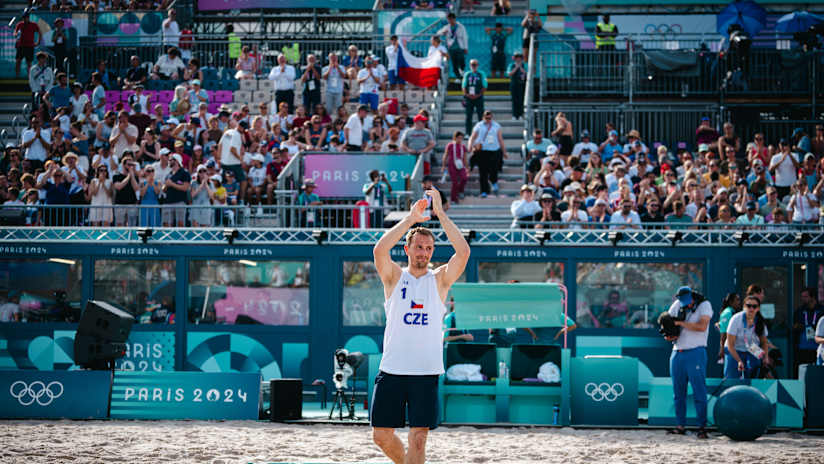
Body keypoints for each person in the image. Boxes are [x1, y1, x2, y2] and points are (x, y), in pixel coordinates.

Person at [371, 189, 469, 464]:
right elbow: (379, 250)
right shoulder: (394, 277)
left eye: (428, 248)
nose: (423, 252)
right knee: (381, 436)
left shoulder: (439, 280)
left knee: (419, 437)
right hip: (392, 369)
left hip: (425, 371)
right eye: (418, 247)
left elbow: (463, 252)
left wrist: (440, 212)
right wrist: (411, 219)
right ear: (408, 249)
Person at [665, 286, 712, 438]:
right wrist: (669, 334)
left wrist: (680, 324)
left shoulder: (704, 304)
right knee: (678, 393)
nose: (686, 305)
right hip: (677, 352)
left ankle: (702, 428)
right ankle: (680, 426)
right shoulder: (677, 305)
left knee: (699, 391)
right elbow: (669, 324)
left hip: (695, 352)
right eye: (683, 302)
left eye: (688, 301)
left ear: (692, 296)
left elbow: (702, 326)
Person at [725, 294, 770, 380]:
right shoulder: (736, 319)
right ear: (744, 307)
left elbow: (764, 342)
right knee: (732, 378)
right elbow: (730, 345)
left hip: (752, 348)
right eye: (748, 306)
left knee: (755, 373)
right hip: (735, 348)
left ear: (758, 308)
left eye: (754, 306)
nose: (751, 309)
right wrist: (739, 361)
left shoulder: (760, 321)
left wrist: (766, 358)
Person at [468, 110, 505, 198]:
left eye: (489, 118)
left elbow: (500, 139)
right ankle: (484, 191)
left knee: (494, 169)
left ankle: (493, 181)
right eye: (486, 118)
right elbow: (472, 137)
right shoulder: (479, 125)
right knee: (483, 172)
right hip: (483, 151)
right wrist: (470, 146)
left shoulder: (496, 126)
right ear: (483, 117)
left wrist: (504, 151)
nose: (488, 120)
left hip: (494, 150)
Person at [793, 287, 824, 370]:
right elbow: (794, 325)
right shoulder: (800, 310)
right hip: (803, 346)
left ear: (812, 297)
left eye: (805, 297)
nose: (803, 299)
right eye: (802, 297)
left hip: (817, 347)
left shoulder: (821, 310)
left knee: (817, 370)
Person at [437, 13, 468, 78]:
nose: (450, 21)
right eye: (448, 19)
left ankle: (462, 71)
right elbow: (438, 33)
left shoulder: (460, 26)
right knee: (454, 63)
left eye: (451, 19)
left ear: (454, 19)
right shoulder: (447, 27)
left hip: (460, 47)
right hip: (451, 48)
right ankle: (458, 77)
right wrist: (443, 33)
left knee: (461, 60)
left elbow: (465, 37)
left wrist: (465, 47)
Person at [462, 60, 487, 137]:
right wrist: (467, 94)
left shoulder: (481, 74)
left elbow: (485, 85)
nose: (474, 66)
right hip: (469, 98)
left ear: (478, 65)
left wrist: (478, 94)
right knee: (468, 116)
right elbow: (464, 85)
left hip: (478, 97)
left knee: (480, 115)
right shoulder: (467, 74)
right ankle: (468, 133)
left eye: (475, 64)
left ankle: (481, 132)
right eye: (472, 64)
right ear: (470, 65)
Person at [443, 131, 469, 204]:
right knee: (455, 182)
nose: (459, 140)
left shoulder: (463, 146)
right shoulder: (450, 145)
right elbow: (445, 155)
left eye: (461, 138)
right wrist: (444, 165)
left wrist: (467, 167)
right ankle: (453, 199)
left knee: (464, 178)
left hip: (461, 165)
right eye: (458, 138)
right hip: (452, 165)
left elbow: (465, 157)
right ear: (455, 138)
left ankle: (460, 191)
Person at [14, 10, 40, 79]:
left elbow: (39, 33)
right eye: (24, 17)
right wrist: (16, 35)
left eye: (26, 17)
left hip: (29, 46)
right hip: (21, 46)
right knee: (18, 61)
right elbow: (15, 33)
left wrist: (38, 42)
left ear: (29, 17)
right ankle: (17, 76)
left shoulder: (33, 25)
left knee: (29, 63)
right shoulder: (20, 24)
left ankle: (29, 77)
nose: (25, 19)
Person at [716, 292, 740, 364]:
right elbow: (724, 332)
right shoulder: (728, 313)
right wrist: (722, 348)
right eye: (737, 300)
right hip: (731, 349)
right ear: (731, 302)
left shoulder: (734, 312)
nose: (739, 302)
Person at [507, 52, 527, 121]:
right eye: (517, 58)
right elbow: (509, 74)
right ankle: (514, 115)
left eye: (519, 58)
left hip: (521, 84)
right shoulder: (511, 65)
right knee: (514, 100)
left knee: (521, 100)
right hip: (514, 84)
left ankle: (521, 114)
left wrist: (520, 67)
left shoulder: (524, 65)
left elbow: (526, 72)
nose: (518, 59)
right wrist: (516, 67)